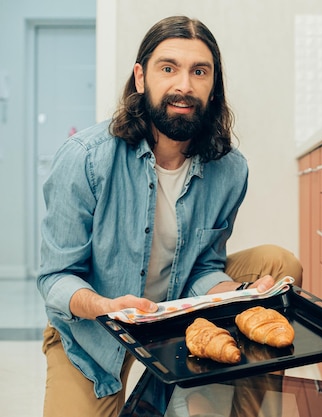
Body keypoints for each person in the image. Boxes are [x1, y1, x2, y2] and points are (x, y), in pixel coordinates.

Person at [37, 15, 302, 417]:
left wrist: (235, 293)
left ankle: (241, 407)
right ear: (141, 78)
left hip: (175, 313)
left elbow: (203, 265)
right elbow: (55, 278)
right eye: (168, 68)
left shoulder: (229, 169)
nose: (184, 86)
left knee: (278, 263)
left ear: (214, 86)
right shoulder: (85, 159)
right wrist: (104, 306)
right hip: (93, 328)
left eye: (200, 72)